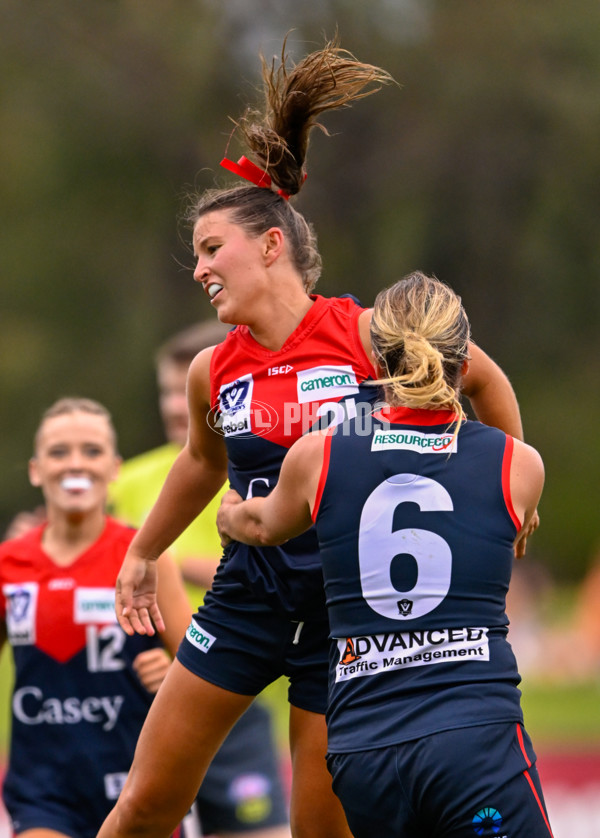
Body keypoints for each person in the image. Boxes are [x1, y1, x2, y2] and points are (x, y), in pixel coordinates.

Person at [98, 39, 533, 838]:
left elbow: (484, 382)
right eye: (194, 254)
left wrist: (506, 501)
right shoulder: (211, 370)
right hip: (247, 598)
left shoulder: (373, 333)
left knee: (319, 831)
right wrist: (142, 553)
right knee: (146, 802)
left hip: (350, 622)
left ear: (270, 246)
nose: (198, 269)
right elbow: (203, 463)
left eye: (210, 249)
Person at [216, 271, 552, 838]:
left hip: (364, 748)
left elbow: (262, 524)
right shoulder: (518, 466)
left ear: (374, 361)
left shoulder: (319, 453)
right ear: (463, 361)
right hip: (475, 742)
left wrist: (229, 516)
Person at [110, 320, 291, 838]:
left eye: (181, 391)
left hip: (227, 682)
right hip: (139, 690)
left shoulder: (257, 470)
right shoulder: (128, 481)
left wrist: (173, 565)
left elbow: (279, 566)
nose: (172, 406)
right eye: (165, 391)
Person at [0, 398, 191, 838]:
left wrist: (173, 675)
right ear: (35, 470)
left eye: (91, 450)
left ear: (114, 468)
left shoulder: (147, 557)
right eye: (59, 452)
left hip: (138, 781)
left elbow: (199, 664)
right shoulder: (10, 564)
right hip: (42, 788)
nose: (75, 464)